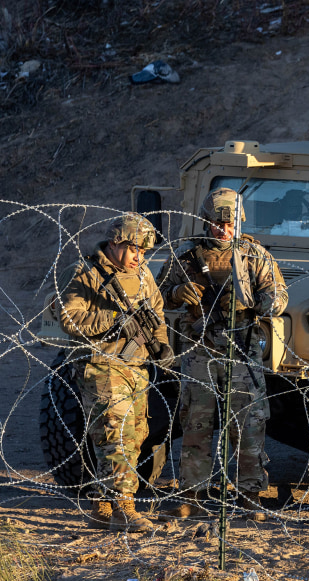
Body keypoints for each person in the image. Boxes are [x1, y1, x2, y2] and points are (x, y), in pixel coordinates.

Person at [158, 188, 288, 521]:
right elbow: (157, 296)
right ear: (205, 221)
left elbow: (278, 296)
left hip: (242, 347)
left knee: (248, 423)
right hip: (200, 347)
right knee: (196, 421)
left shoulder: (253, 256)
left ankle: (249, 494)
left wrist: (259, 302)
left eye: (228, 223)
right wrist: (175, 292)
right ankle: (192, 494)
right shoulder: (186, 255)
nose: (222, 229)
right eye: (216, 223)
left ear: (238, 223)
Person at [56, 213, 173, 532]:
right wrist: (113, 320)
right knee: (115, 435)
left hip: (136, 366)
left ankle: (102, 505)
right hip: (101, 366)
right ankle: (124, 508)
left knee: (135, 436)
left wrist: (160, 343)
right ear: (116, 242)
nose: (140, 256)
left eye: (145, 252)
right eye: (136, 249)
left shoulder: (144, 274)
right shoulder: (84, 273)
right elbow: (67, 318)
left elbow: (157, 312)